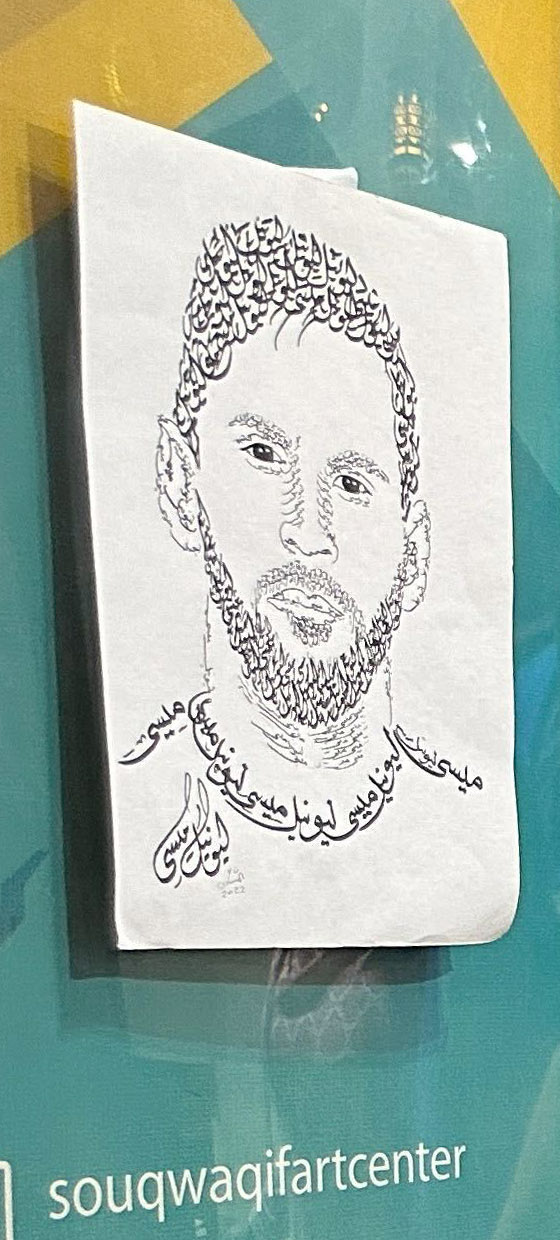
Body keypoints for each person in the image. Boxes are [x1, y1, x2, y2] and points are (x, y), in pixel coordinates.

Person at [120, 210, 490, 914]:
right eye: (263, 456)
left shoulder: (461, 827)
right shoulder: (140, 793)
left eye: (352, 483)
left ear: (414, 550)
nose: (309, 533)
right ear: (177, 477)